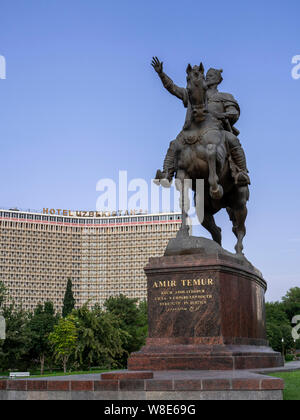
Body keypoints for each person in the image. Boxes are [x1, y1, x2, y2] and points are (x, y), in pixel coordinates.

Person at [152, 57, 250, 186]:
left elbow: (234, 113)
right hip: (194, 129)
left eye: (212, 75)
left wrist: (221, 114)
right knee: (174, 144)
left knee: (232, 139)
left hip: (215, 128)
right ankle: (167, 173)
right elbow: (173, 88)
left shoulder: (225, 96)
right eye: (207, 75)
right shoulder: (193, 92)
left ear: (218, 79)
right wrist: (161, 74)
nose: (209, 77)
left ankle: (241, 172)